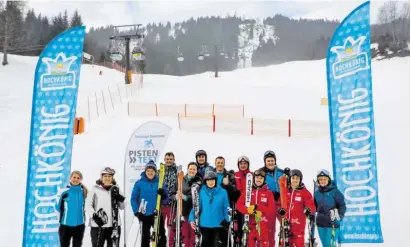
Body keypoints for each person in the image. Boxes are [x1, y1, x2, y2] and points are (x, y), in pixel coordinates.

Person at [130, 160, 168, 247]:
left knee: (161, 236)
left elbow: (165, 200)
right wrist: (136, 212)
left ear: (155, 172)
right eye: (148, 171)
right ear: (145, 171)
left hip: (157, 213)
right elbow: (133, 198)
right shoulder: (139, 183)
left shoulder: (160, 182)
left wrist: (164, 195)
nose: (150, 173)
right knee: (145, 237)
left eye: (152, 171)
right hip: (144, 214)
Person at [189, 170, 230, 247]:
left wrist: (228, 219)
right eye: (208, 180)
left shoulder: (223, 192)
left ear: (215, 180)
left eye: (212, 180)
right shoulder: (201, 192)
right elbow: (196, 206)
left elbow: (227, 208)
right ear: (205, 181)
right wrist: (192, 219)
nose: (210, 182)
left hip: (219, 225)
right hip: (205, 225)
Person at [86, 167, 125, 247]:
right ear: (101, 177)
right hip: (98, 225)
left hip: (114, 225)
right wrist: (94, 216)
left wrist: (120, 198)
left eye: (109, 176)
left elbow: (122, 207)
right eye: (105, 176)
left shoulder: (116, 189)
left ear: (112, 178)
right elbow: (88, 205)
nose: (107, 178)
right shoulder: (95, 189)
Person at [236, 169, 275, 247]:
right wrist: (247, 210)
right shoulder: (248, 192)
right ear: (254, 178)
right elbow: (239, 205)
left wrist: (258, 207)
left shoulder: (268, 194)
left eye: (261, 178)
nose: (259, 180)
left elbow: (271, 210)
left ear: (264, 180)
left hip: (263, 226)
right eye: (257, 177)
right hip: (250, 225)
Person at [277, 169, 316, 247]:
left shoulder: (305, 192)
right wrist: (280, 210)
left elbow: (311, 205)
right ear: (290, 179)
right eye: (293, 178)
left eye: (297, 178)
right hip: (285, 223)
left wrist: (308, 210)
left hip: (298, 226)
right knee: (285, 244)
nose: (295, 180)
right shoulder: (285, 191)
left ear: (300, 179)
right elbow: (279, 204)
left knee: (299, 244)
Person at [314, 169, 346, 247]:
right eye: (320, 179)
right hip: (320, 223)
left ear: (329, 179)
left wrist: (340, 216)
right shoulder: (316, 192)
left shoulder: (335, 191)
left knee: (330, 245)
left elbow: (342, 205)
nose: (322, 181)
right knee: (325, 245)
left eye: (324, 179)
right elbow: (314, 206)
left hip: (332, 223)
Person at [214, 156, 241, 247]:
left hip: (226, 207)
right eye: (218, 162)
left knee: (225, 231)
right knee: (214, 231)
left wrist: (227, 185)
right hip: (213, 208)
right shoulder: (211, 175)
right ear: (215, 163)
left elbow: (235, 194)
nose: (220, 164)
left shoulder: (230, 176)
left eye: (222, 162)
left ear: (224, 164)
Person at [56, 171, 88, 247]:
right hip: (65, 226)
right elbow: (57, 207)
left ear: (81, 180)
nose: (76, 179)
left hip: (79, 226)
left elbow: (87, 207)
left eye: (78, 178)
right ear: (70, 178)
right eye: (74, 177)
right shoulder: (63, 192)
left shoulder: (84, 192)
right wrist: (61, 220)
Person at [260, 150, 285, 246]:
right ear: (265, 162)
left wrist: (289, 175)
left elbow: (291, 184)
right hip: (268, 204)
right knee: (270, 229)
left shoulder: (280, 172)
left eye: (272, 160)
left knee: (285, 226)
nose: (270, 162)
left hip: (280, 203)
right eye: (268, 161)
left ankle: (284, 243)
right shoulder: (261, 173)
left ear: (275, 161)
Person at [176, 162, 202, 247]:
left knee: (193, 235)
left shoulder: (199, 182)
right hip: (183, 210)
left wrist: (186, 197)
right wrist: (175, 196)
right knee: (185, 235)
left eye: (194, 169)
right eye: (190, 169)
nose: (192, 170)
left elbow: (198, 196)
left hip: (194, 211)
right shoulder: (181, 180)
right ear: (187, 169)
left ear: (196, 171)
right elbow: (173, 193)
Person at [234, 155, 252, 246]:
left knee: (250, 226)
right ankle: (240, 241)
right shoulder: (235, 175)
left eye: (245, 163)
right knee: (240, 225)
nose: (243, 165)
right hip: (239, 205)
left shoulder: (252, 175)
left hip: (250, 205)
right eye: (241, 163)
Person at [162, 152, 178, 247]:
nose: (169, 160)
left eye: (170, 159)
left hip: (172, 205)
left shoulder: (177, 171)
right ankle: (161, 243)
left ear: (174, 159)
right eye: (167, 159)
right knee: (160, 227)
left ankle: (171, 244)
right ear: (164, 160)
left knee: (171, 227)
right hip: (162, 204)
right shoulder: (160, 171)